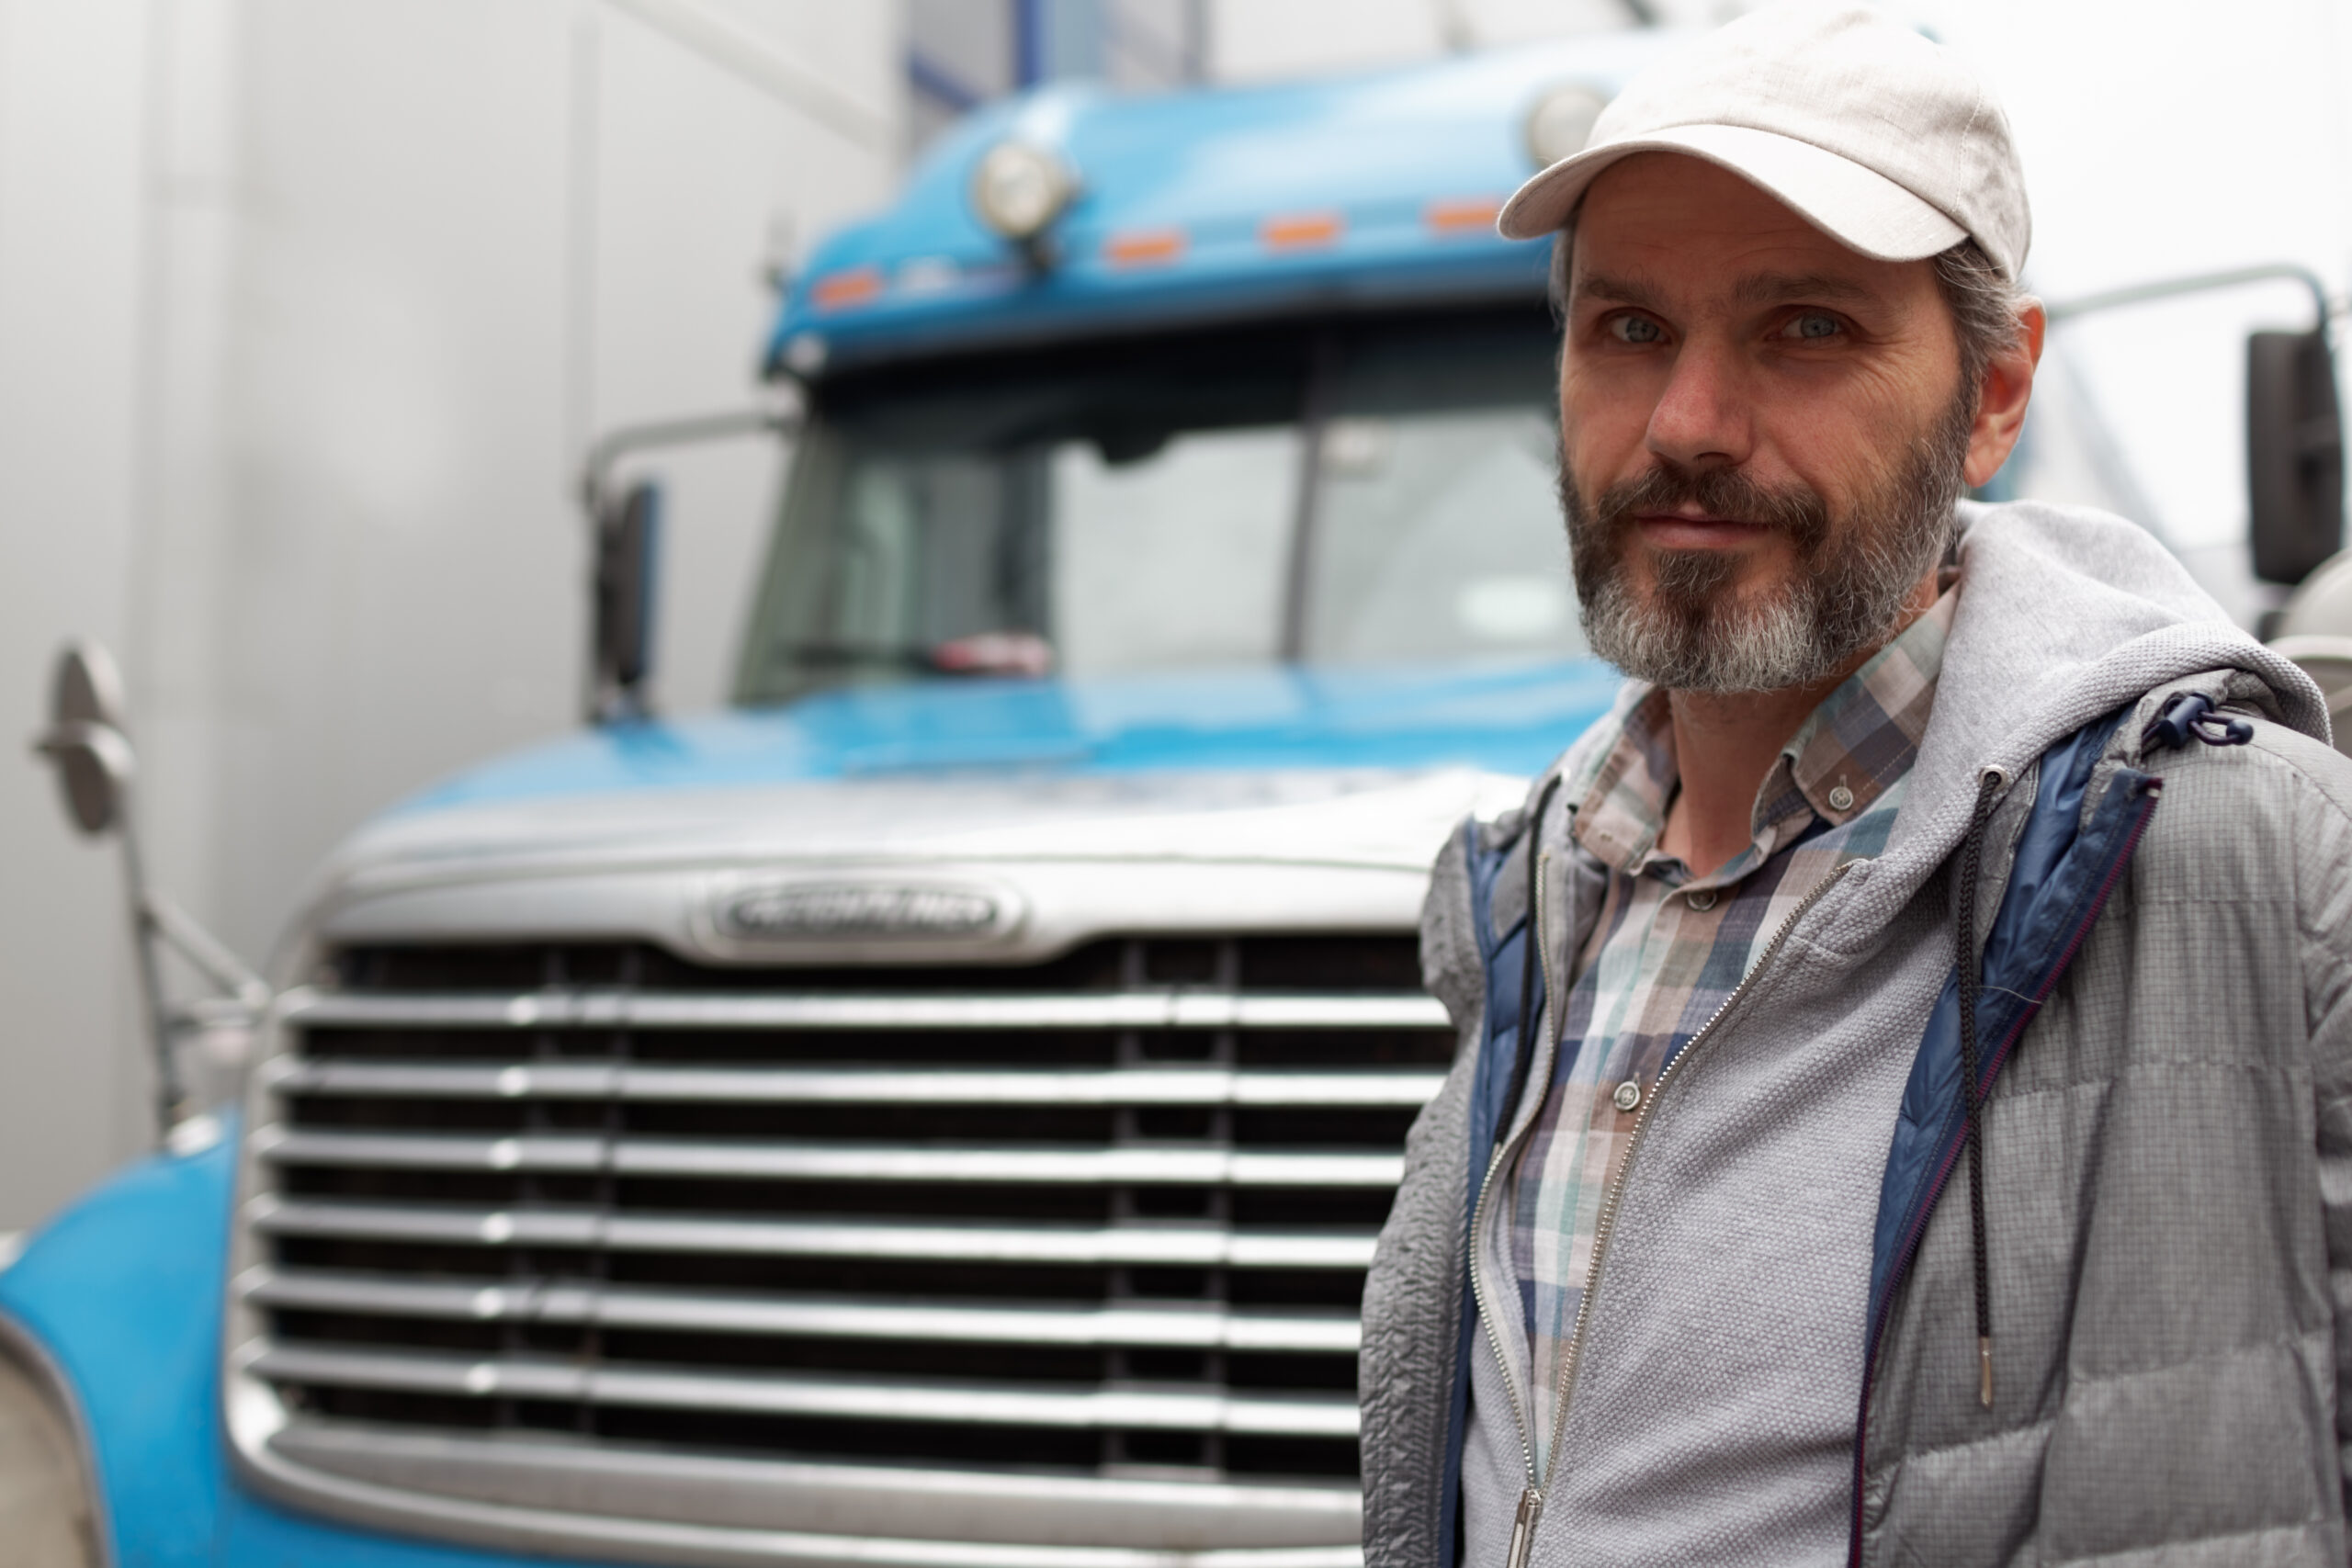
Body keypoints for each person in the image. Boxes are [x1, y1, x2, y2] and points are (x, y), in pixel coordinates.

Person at [1357, 4, 2352, 1564]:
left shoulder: (2273, 875)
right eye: (1629, 329)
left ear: (1998, 391)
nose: (1687, 425)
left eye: (1805, 326)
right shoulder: (1528, 892)